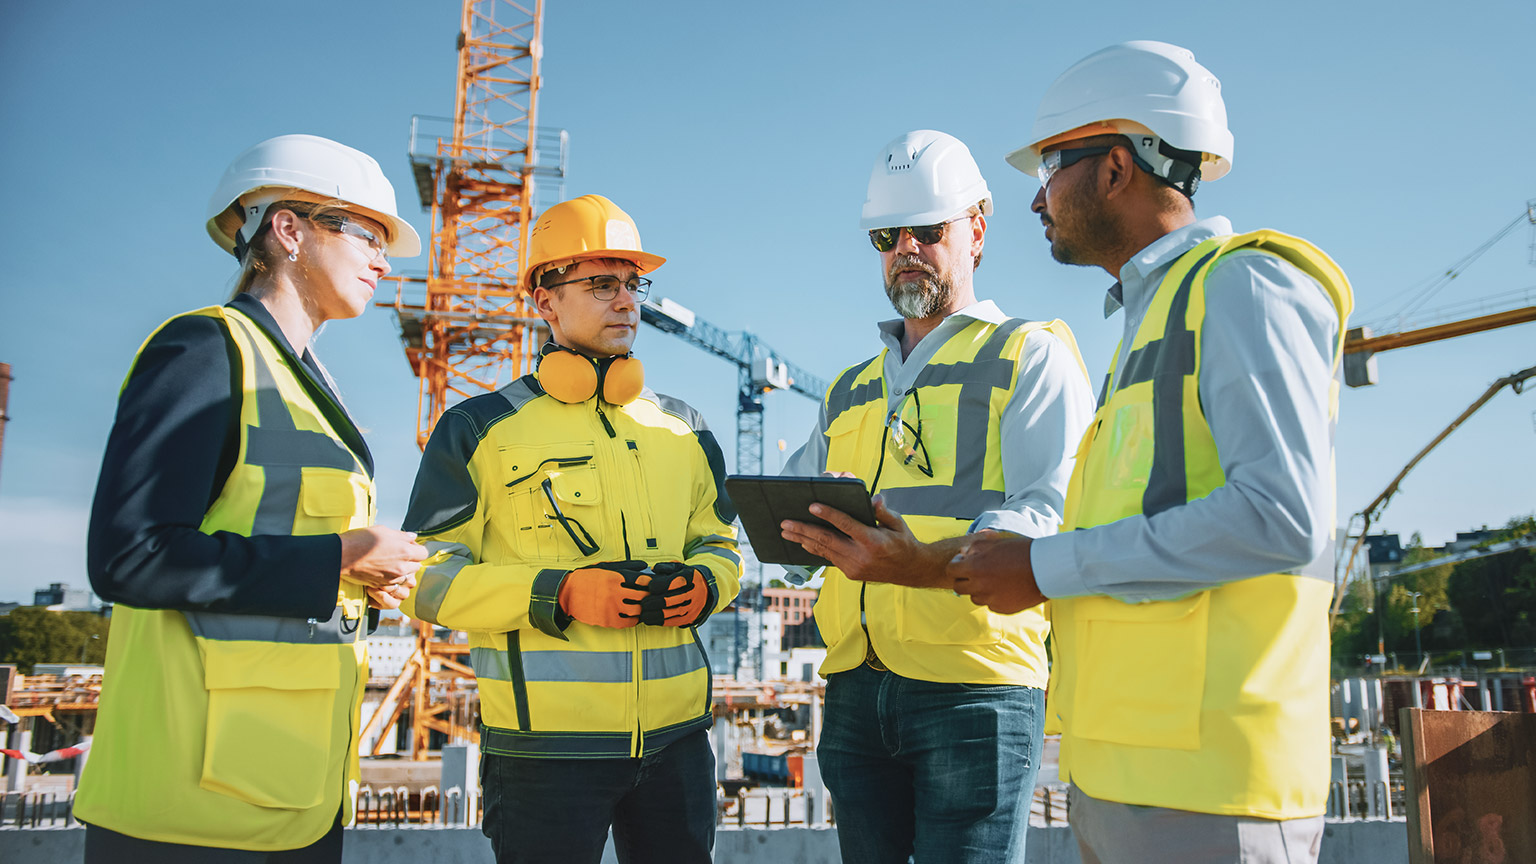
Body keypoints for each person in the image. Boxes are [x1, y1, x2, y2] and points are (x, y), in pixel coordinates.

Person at [948, 42, 1354, 864]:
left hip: (1213, 786)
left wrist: (1045, 566)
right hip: (1131, 775)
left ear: (1115, 168)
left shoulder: (1243, 285)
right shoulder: (1152, 316)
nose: (1037, 198)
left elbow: (1282, 517)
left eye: (1051, 166)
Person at [78, 134, 428, 861]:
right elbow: (130, 557)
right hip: (188, 803)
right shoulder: (205, 350)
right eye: (365, 233)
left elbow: (270, 538)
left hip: (289, 785)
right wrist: (338, 555)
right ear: (289, 228)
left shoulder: (310, 382)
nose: (382, 259)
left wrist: (361, 573)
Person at [779, 130, 1095, 864]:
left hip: (973, 687)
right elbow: (796, 511)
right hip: (857, 689)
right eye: (887, 236)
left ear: (977, 229)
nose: (905, 249)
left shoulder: (1029, 355)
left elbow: (1049, 513)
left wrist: (920, 560)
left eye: (927, 230)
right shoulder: (850, 387)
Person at [399, 194, 741, 864]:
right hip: (543, 759)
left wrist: (706, 585)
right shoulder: (477, 430)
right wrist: (555, 594)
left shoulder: (685, 428)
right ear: (544, 301)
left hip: (677, 747)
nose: (625, 301)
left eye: (632, 283)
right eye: (601, 284)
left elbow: (723, 546)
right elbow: (423, 576)